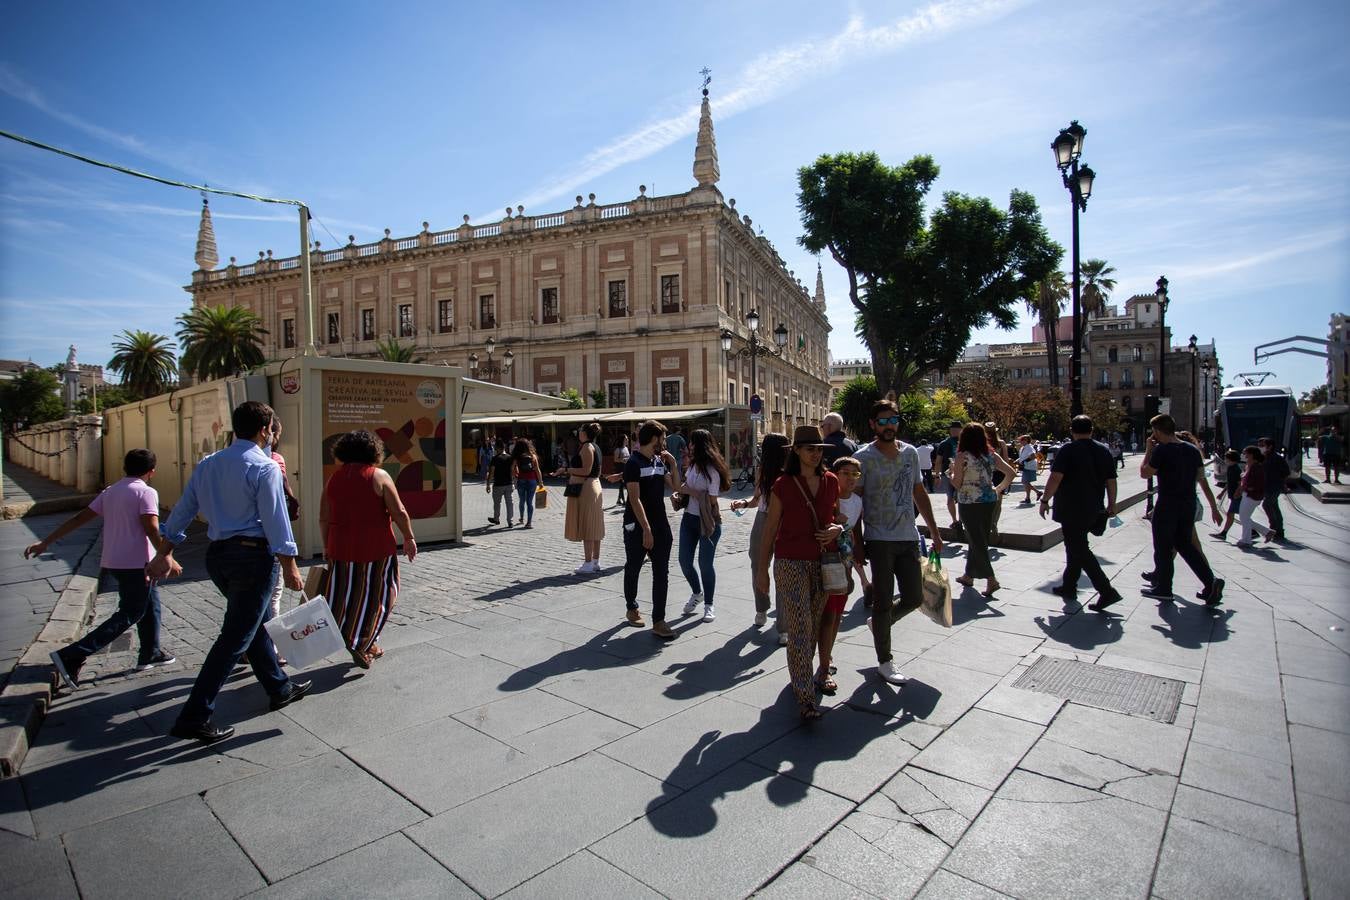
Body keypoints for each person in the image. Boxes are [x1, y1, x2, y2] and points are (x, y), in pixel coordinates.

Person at [149, 401, 310, 744]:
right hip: (252, 558)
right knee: (235, 637)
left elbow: (182, 511)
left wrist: (164, 551)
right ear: (266, 427)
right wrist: (290, 565)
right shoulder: (264, 467)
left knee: (255, 625)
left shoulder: (209, 464)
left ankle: (279, 688)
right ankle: (194, 715)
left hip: (218, 557)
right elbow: (275, 521)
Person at [27, 449, 178, 688]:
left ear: (124, 467)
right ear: (152, 471)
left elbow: (79, 519)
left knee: (151, 605)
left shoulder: (111, 492)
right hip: (137, 563)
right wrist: (166, 555)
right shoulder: (146, 492)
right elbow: (151, 528)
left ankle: (151, 652)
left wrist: (46, 542)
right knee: (130, 612)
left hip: (114, 562)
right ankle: (73, 655)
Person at [754, 425, 844, 721]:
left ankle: (810, 677)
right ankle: (805, 697)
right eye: (810, 449)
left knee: (815, 624)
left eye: (819, 450)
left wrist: (837, 528)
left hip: (822, 562)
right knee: (801, 629)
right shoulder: (783, 484)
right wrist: (761, 571)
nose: (816, 454)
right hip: (790, 562)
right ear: (796, 452)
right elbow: (770, 529)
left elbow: (837, 516)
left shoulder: (831, 481)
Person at [855, 400, 943, 686]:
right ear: (872, 425)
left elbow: (919, 491)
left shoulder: (910, 454)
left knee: (915, 597)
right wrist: (856, 541)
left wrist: (934, 530)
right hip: (879, 538)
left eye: (893, 420)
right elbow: (855, 503)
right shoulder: (863, 458)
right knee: (882, 600)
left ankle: (881, 625)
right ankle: (885, 661)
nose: (888, 426)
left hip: (909, 535)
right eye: (882, 421)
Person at [319, 430, 418, 668]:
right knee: (382, 594)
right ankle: (362, 642)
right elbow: (399, 512)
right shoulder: (379, 476)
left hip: (340, 548)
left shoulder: (334, 478)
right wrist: (409, 537)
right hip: (376, 548)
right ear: (373, 450)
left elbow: (324, 517)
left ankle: (363, 640)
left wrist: (326, 546)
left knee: (346, 596)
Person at [1139, 414, 1225, 606]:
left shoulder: (1162, 450)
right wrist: (1212, 507)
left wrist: (1148, 450)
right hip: (1188, 504)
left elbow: (1145, 473)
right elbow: (1201, 477)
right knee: (1186, 546)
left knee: (1163, 547)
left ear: (1158, 431)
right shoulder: (1193, 450)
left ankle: (1164, 588)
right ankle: (1210, 582)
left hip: (1168, 504)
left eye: (1154, 432)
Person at [1039, 416, 1123, 611]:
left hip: (1071, 508)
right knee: (1075, 546)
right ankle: (1069, 586)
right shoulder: (1103, 450)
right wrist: (1112, 503)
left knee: (1079, 550)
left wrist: (1045, 500)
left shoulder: (1068, 450)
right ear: (1092, 430)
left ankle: (1106, 591)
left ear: (1072, 430)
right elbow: (1111, 479)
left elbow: (1055, 477)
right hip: (1094, 507)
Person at [621, 420, 681, 638]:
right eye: (663, 438)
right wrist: (646, 529)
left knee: (661, 572)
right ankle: (631, 606)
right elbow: (634, 500)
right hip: (637, 525)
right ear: (654, 439)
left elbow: (675, 486)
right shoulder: (633, 463)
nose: (664, 442)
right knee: (634, 566)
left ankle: (659, 620)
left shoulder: (658, 461)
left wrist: (673, 465)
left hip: (660, 524)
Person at [730, 432, 791, 641]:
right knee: (758, 563)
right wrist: (744, 503)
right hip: (763, 518)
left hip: (786, 519)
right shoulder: (763, 470)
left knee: (783, 570)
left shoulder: (791, 471)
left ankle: (784, 626)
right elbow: (758, 498)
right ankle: (762, 607)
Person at [816, 456, 865, 696]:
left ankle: (827, 656)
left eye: (855, 475)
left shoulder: (856, 501)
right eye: (845, 473)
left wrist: (859, 556)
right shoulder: (827, 496)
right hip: (825, 560)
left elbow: (856, 529)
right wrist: (836, 522)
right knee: (827, 614)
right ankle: (822, 665)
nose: (850, 479)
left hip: (843, 562)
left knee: (836, 615)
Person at [951, 423, 1017, 597]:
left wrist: (950, 474)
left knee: (976, 540)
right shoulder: (991, 455)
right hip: (989, 501)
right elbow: (1011, 473)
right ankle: (968, 575)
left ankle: (991, 579)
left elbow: (957, 483)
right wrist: (998, 488)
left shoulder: (962, 457)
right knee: (979, 537)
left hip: (969, 501)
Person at [676, 428, 731, 623]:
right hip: (688, 519)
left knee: (705, 564)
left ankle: (709, 604)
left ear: (699, 445)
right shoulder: (692, 466)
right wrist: (684, 491)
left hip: (708, 522)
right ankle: (697, 593)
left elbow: (713, 499)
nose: (689, 446)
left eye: (692, 442)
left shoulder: (711, 470)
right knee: (684, 561)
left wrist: (691, 491)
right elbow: (684, 487)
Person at [555, 422, 605, 574]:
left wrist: (566, 470)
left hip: (586, 488)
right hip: (594, 485)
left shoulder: (586, 447)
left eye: (580, 430)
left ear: (584, 433)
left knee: (587, 526)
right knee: (594, 525)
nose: (578, 433)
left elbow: (586, 470)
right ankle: (595, 561)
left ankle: (588, 562)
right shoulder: (595, 447)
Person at [265, 418, 300, 624]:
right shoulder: (274, 461)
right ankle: (270, 646)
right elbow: (283, 504)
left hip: (225, 546)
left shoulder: (217, 461)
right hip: (268, 540)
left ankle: (252, 649)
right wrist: (291, 565)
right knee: (273, 595)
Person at [1233, 444, 1275, 547]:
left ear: (1251, 455)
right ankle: (1267, 532)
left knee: (1244, 517)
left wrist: (1246, 488)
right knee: (1245, 517)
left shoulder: (1257, 467)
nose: (1244, 455)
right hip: (1247, 494)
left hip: (1252, 495)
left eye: (1246, 454)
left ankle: (1246, 540)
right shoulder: (1249, 465)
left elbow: (1257, 483)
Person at [933, 421, 964, 540]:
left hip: (948, 474)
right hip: (963, 473)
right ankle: (960, 520)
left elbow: (938, 460)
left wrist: (937, 475)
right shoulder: (966, 442)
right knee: (961, 497)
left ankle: (955, 521)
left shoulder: (944, 443)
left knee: (950, 497)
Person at [1258, 437, 1289, 541]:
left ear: (1270, 446)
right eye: (1260, 445)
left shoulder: (1277, 458)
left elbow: (1286, 472)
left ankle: (1273, 529)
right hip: (1266, 487)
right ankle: (1278, 531)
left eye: (1262, 445)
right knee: (1274, 507)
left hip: (1274, 487)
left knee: (1267, 505)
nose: (1260, 447)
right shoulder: (1262, 457)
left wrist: (1283, 484)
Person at [1211, 449, 1243, 540]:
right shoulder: (1230, 468)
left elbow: (1240, 483)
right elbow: (1229, 483)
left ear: (1231, 459)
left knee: (1232, 514)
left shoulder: (1236, 469)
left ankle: (1224, 533)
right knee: (1242, 515)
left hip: (1237, 495)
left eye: (1226, 458)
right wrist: (1222, 493)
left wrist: (1237, 492)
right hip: (1233, 495)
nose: (1225, 460)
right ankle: (1253, 531)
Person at [511, 439, 541, 528]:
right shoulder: (533, 456)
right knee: (529, 502)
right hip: (532, 480)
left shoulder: (517, 457)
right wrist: (541, 482)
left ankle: (521, 518)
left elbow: (512, 468)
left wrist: (515, 477)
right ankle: (529, 523)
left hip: (521, 479)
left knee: (522, 500)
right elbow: (537, 469)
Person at [486, 439, 515, 526]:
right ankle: (510, 521)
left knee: (497, 503)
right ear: (504, 447)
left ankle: (496, 519)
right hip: (509, 483)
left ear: (497, 448)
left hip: (498, 484)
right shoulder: (510, 458)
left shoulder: (495, 459)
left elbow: (491, 472)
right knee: (509, 503)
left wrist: (488, 484)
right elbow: (513, 470)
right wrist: (513, 481)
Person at [1016, 434, 1042, 504]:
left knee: (1025, 482)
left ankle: (1037, 493)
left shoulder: (1029, 447)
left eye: (1022, 440)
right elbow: (1024, 456)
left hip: (1029, 467)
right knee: (1026, 482)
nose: (1020, 441)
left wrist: (1024, 461)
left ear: (1026, 440)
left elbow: (1033, 456)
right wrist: (1018, 460)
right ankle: (1028, 498)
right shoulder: (1023, 448)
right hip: (1025, 467)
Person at [613, 434, 632, 506]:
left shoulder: (626, 448)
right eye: (626, 439)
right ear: (623, 440)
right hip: (620, 468)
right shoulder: (618, 449)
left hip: (626, 467)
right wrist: (622, 460)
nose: (628, 440)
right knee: (623, 484)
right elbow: (615, 459)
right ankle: (624, 500)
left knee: (623, 484)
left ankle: (619, 499)